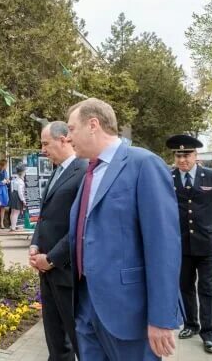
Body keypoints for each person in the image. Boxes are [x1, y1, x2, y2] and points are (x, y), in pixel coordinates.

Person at [66, 98, 181, 360]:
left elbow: (163, 246)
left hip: (130, 313)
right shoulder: (90, 172)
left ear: (93, 124)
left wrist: (162, 318)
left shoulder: (143, 164)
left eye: (72, 129)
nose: (68, 137)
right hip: (87, 306)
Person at [166, 134, 212, 354]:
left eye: (187, 155)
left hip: (208, 244)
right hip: (181, 243)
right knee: (184, 287)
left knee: (209, 291)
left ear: (196, 155)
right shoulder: (168, 177)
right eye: (178, 155)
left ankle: (210, 335)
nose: (182, 159)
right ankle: (191, 324)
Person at [30, 121, 86, 361]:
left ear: (64, 139)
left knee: (77, 338)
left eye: (46, 143)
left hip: (66, 270)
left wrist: (52, 259)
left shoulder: (83, 171)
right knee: (55, 339)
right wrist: (34, 243)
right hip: (47, 270)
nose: (43, 149)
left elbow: (80, 227)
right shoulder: (57, 171)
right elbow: (46, 216)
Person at [9, 164, 26, 231]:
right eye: (24, 172)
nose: (25, 173)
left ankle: (13, 226)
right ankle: (13, 227)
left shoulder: (15, 179)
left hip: (13, 195)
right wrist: (23, 200)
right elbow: (20, 192)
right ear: (22, 172)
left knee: (13, 212)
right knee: (16, 212)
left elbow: (12, 188)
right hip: (17, 196)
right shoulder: (20, 181)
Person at [0, 160, 10, 229]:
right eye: (6, 165)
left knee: (3, 207)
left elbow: (6, 179)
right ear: (3, 165)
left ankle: (2, 223)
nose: (7, 166)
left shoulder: (5, 172)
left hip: (4, 190)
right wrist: (2, 182)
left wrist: (7, 181)